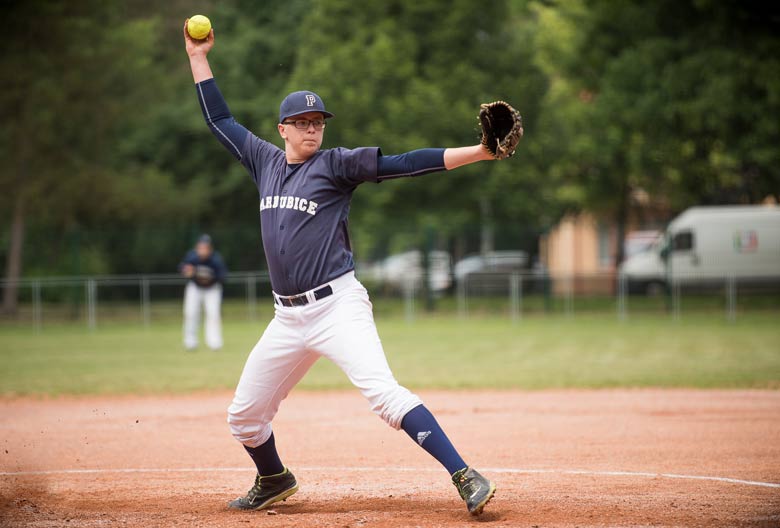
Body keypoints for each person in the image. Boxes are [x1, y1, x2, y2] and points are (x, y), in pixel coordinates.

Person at [184, 21, 509, 516]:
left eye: (319, 121)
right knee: (245, 417)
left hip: (337, 307)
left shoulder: (335, 165)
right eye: (304, 121)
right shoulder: (263, 161)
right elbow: (220, 121)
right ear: (283, 129)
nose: (314, 128)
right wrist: (197, 56)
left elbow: (405, 163)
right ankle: (273, 478)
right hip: (287, 318)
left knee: (383, 396)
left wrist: (481, 152)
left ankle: (464, 475)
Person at [179, 234, 227, 351]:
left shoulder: (215, 259)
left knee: (213, 314)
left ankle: (214, 342)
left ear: (210, 248)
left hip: (212, 289)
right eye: (200, 247)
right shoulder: (192, 257)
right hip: (195, 288)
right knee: (190, 313)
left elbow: (223, 276)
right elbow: (182, 267)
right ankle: (190, 342)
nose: (203, 250)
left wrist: (209, 278)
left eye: (205, 247)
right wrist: (186, 270)